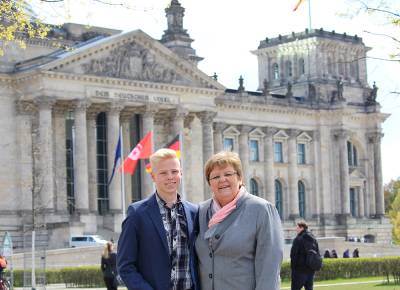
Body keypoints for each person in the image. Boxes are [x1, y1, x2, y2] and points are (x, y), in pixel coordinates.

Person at [195, 151, 283, 290]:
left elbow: (269, 269)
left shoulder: (262, 210)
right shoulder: (200, 211)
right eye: (215, 176)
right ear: (209, 184)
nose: (222, 179)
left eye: (228, 174)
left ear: (240, 178)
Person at [117, 148, 199, 290]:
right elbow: (125, 266)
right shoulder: (137, 214)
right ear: (153, 177)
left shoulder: (194, 212)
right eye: (163, 173)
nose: (170, 177)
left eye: (174, 171)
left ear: (181, 173)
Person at [290, 221, 320, 290]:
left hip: (299, 270)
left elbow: (293, 255)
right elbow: (317, 253)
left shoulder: (298, 239)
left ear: (302, 228)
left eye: (297, 227)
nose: (296, 229)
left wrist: (293, 269)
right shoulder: (313, 239)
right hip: (311, 270)